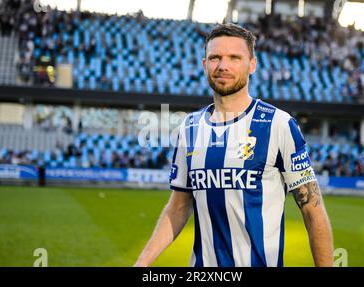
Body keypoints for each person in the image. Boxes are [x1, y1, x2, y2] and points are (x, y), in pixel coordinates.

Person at [135, 24, 333, 267]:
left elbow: (313, 211)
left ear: (252, 64)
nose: (223, 66)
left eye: (234, 58)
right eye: (215, 57)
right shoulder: (190, 127)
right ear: (204, 64)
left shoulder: (278, 124)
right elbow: (178, 207)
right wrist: (142, 263)